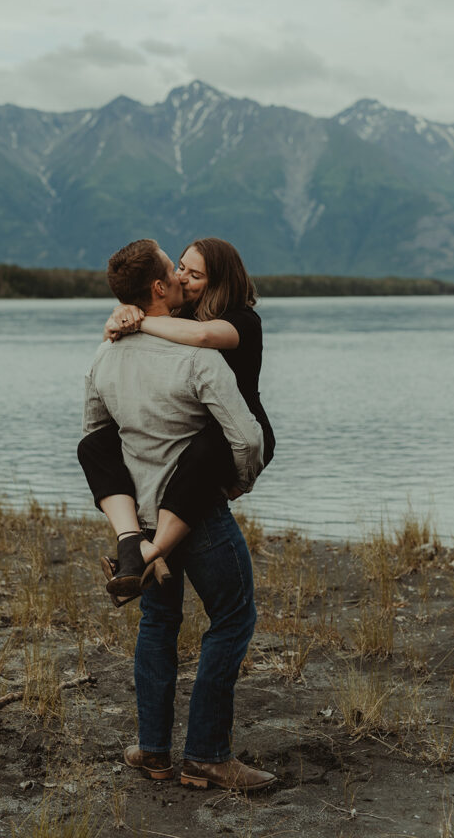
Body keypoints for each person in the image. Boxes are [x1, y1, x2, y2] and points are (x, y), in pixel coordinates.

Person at [79, 238, 275, 791]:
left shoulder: (105, 353)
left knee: (160, 623)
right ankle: (208, 754)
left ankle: (156, 752)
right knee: (233, 618)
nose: (184, 277)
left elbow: (96, 435)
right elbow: (247, 438)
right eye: (175, 270)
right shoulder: (199, 359)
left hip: (139, 513)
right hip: (199, 515)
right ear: (160, 288)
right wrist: (239, 481)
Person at [78, 236, 274, 600]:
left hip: (230, 439)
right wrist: (125, 315)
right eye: (179, 268)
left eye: (193, 274)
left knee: (207, 445)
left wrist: (138, 320)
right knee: (93, 445)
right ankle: (140, 551)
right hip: (192, 458)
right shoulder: (180, 317)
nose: (181, 278)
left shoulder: (240, 322)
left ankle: (145, 552)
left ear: (219, 282)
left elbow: (200, 336)